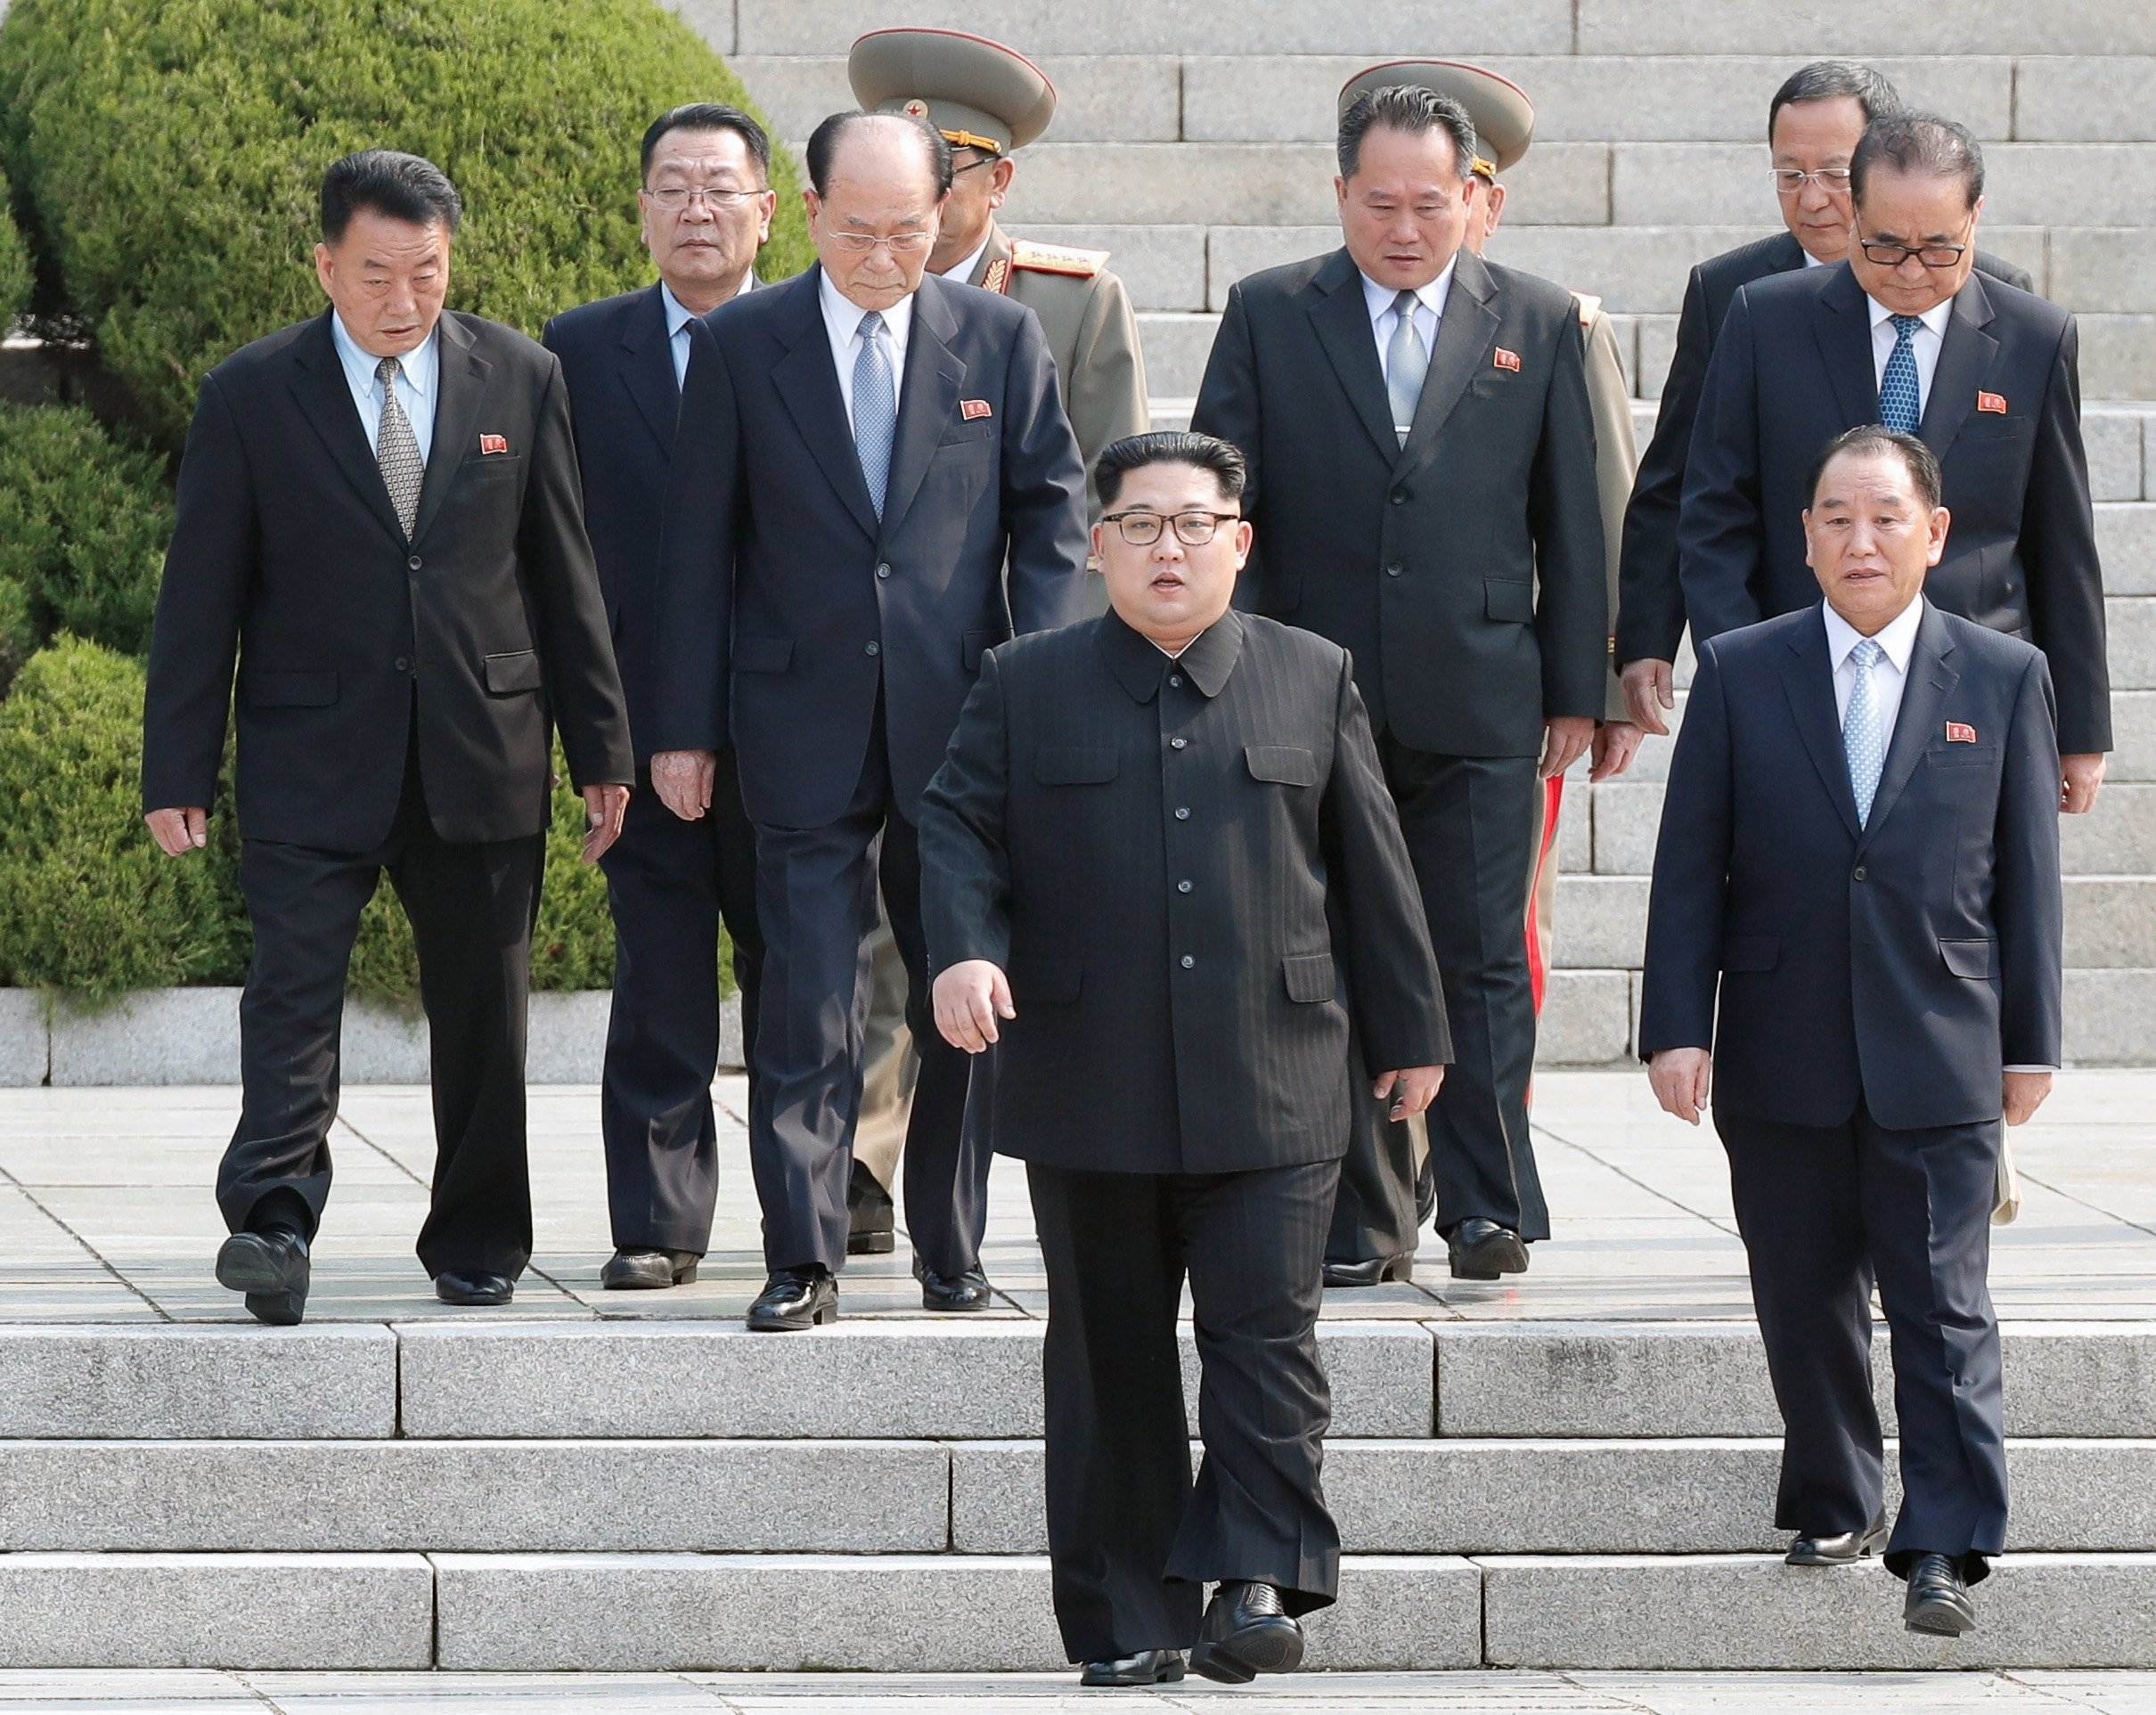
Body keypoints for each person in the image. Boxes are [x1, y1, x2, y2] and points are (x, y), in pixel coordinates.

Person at [919, 431, 1449, 1686]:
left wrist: (1415, 1032)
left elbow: (1372, 867)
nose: (1170, 548)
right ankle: (1129, 1618)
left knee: (1267, 1335)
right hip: (1087, 1078)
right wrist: (961, 952)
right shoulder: (1023, 681)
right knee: (1108, 1355)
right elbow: (956, 828)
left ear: (1240, 542)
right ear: (1097, 543)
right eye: (1142, 524)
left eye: (1195, 523)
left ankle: (1256, 1573)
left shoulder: (1309, 676)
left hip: (1279, 1072)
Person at [143, 150, 633, 1326]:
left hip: (484, 745)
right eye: (376, 274)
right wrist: (178, 765)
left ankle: (477, 1238)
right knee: (292, 996)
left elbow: (567, 579)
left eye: (428, 271)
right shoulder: (252, 395)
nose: (405, 298)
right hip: (312, 754)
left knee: (482, 1014)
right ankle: (273, 1220)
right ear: (324, 266)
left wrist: (602, 751)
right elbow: (201, 595)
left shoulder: (521, 376)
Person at [649, 110, 1089, 1330]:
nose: (888, 255)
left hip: (959, 723)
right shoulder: (746, 343)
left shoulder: (996, 338)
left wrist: (1040, 678)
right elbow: (698, 549)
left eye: (911, 230)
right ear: (808, 214)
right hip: (793, 720)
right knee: (804, 993)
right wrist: (681, 726)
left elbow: (1051, 513)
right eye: (861, 232)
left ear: (944, 212)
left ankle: (952, 1246)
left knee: (963, 983)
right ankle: (803, 1254)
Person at [1641, 425, 2062, 1638]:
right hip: (1781, 1040)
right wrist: (1678, 1025)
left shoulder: (2001, 675)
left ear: (1934, 535)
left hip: (1941, 1034)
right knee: (1802, 1289)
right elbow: (1687, 869)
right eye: (1835, 517)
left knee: (1943, 1299)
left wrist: (2029, 1042)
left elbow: (2026, 878)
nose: (1860, 539)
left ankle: (1945, 1539)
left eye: (1886, 517)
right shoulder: (1743, 666)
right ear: (1806, 536)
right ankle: (1835, 1491)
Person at [1192, 75, 1604, 1285]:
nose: (1406, 226)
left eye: (1432, 201)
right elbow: (1228, 507)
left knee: (1480, 954)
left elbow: (1572, 522)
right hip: (1311, 696)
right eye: (1381, 202)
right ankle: (1358, 1217)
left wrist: (1579, 689)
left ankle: (1488, 1202)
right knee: (1326, 959)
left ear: (1474, 198)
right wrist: (1235, 676)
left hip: (1482, 697)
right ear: (1341, 196)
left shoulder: (1534, 318)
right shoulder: (1271, 313)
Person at [845, 27, 1155, 1256]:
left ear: (995, 182)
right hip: (866, 670)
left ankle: (967, 1175)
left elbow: (1099, 501)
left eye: (949, 171)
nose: (926, 194)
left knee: (970, 924)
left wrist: (1065, 665)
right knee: (865, 929)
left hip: (1011, 669)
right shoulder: (835, 293)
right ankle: (868, 1161)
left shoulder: (1068, 306)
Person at [1681, 113, 2109, 805]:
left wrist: (2082, 728)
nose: (1911, 272)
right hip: (1800, 679)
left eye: (1939, 249)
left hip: (1975, 682)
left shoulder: (2035, 337)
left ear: (1976, 218)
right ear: (1853, 215)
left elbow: (2062, 538)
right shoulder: (1765, 322)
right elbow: (1714, 513)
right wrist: (1743, 670)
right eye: (1885, 247)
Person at [1617, 61, 2032, 735]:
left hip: (1962, 657)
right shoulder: (1735, 296)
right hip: (1793, 642)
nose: (1812, 200)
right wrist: (1654, 634)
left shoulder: (1997, 301)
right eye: (1790, 174)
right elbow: (1685, 481)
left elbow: (2045, 524)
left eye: (1834, 175)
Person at [543, 103, 777, 1292]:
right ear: (641, 210)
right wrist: (598, 739)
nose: (696, 209)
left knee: (804, 986)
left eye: (720, 188)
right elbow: (555, 559)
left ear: (767, 212)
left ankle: (816, 1214)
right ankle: (658, 1223)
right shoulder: (575, 353)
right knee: (660, 980)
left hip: (797, 732)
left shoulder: (811, 339)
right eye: (673, 188)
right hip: (637, 727)